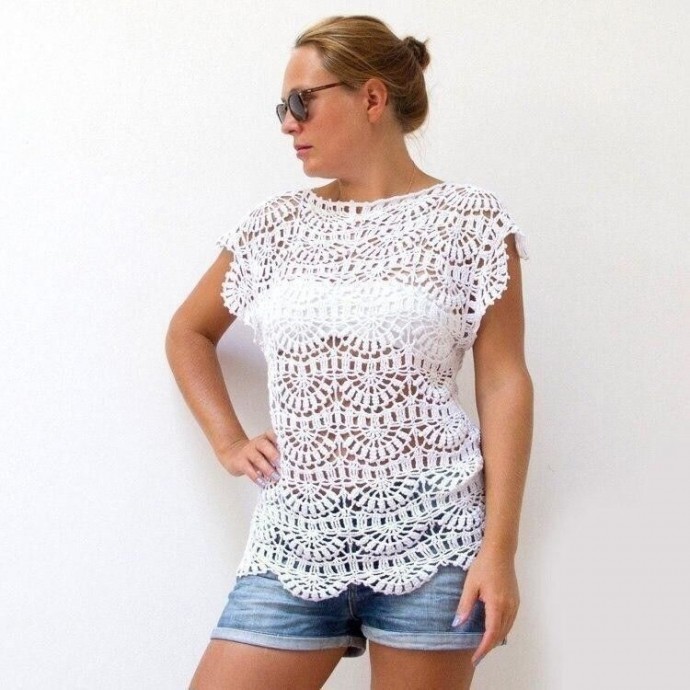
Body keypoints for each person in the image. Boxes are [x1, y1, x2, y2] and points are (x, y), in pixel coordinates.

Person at [166, 14, 533, 690]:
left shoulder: (473, 222)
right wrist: (228, 440)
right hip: (295, 539)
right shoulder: (274, 227)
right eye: (282, 108)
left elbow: (504, 384)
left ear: (371, 98)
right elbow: (188, 331)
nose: (288, 123)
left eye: (302, 101)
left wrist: (499, 551)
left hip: (433, 539)